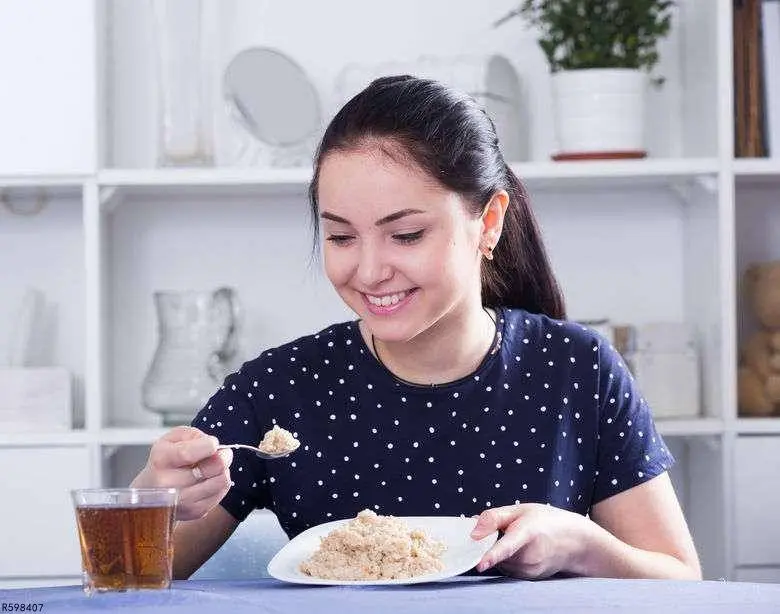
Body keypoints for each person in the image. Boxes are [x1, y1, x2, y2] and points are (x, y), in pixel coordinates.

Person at [131, 75, 702, 581]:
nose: (370, 271)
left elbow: (680, 580)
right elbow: (126, 574)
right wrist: (152, 500)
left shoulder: (576, 369)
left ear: (490, 223)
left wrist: (584, 546)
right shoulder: (280, 388)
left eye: (405, 236)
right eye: (341, 237)